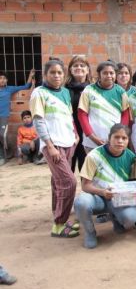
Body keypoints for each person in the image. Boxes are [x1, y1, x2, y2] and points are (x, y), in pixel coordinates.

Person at [30, 58, 80, 238]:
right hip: (54, 145)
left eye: (60, 72)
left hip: (68, 143)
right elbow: (39, 120)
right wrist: (49, 146)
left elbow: (69, 116)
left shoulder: (66, 92)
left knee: (58, 182)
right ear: (45, 75)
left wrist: (75, 134)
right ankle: (59, 224)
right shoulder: (39, 93)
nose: (57, 76)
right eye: (53, 72)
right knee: (69, 182)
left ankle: (58, 218)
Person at [73, 124, 136, 249]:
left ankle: (116, 218)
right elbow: (85, 186)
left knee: (131, 217)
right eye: (116, 137)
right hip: (97, 197)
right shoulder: (94, 155)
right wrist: (103, 192)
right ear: (109, 138)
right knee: (81, 203)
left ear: (128, 140)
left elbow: (132, 182)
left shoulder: (130, 157)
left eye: (124, 138)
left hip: (118, 199)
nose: (120, 141)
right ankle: (90, 232)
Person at [78, 60, 130, 154]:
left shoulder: (121, 92)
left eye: (111, 73)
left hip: (114, 143)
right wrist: (92, 137)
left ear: (115, 74)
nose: (109, 76)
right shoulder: (89, 90)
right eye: (105, 73)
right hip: (92, 142)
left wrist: (119, 135)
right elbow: (82, 115)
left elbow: (125, 115)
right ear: (99, 74)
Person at [0, 69, 35, 166]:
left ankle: (5, 156)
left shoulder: (9, 89)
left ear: (6, 80)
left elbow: (26, 86)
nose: (2, 80)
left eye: (4, 78)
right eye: (0, 78)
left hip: (4, 116)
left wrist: (30, 75)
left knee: (2, 135)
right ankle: (3, 155)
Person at [65, 54, 93, 171]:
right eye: (75, 65)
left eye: (82, 65)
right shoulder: (63, 89)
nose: (79, 67)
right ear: (70, 70)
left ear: (87, 70)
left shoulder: (93, 89)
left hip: (88, 134)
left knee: (86, 170)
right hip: (68, 134)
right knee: (67, 170)